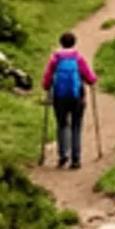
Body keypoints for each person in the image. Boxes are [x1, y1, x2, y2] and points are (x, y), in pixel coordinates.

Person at [42, 31, 96, 170]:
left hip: (59, 97)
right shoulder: (78, 58)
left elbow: (47, 79)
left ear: (61, 43)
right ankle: (76, 159)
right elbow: (90, 78)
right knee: (76, 126)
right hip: (77, 96)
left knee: (62, 125)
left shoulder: (55, 59)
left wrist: (47, 86)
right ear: (74, 43)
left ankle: (62, 156)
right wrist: (91, 80)